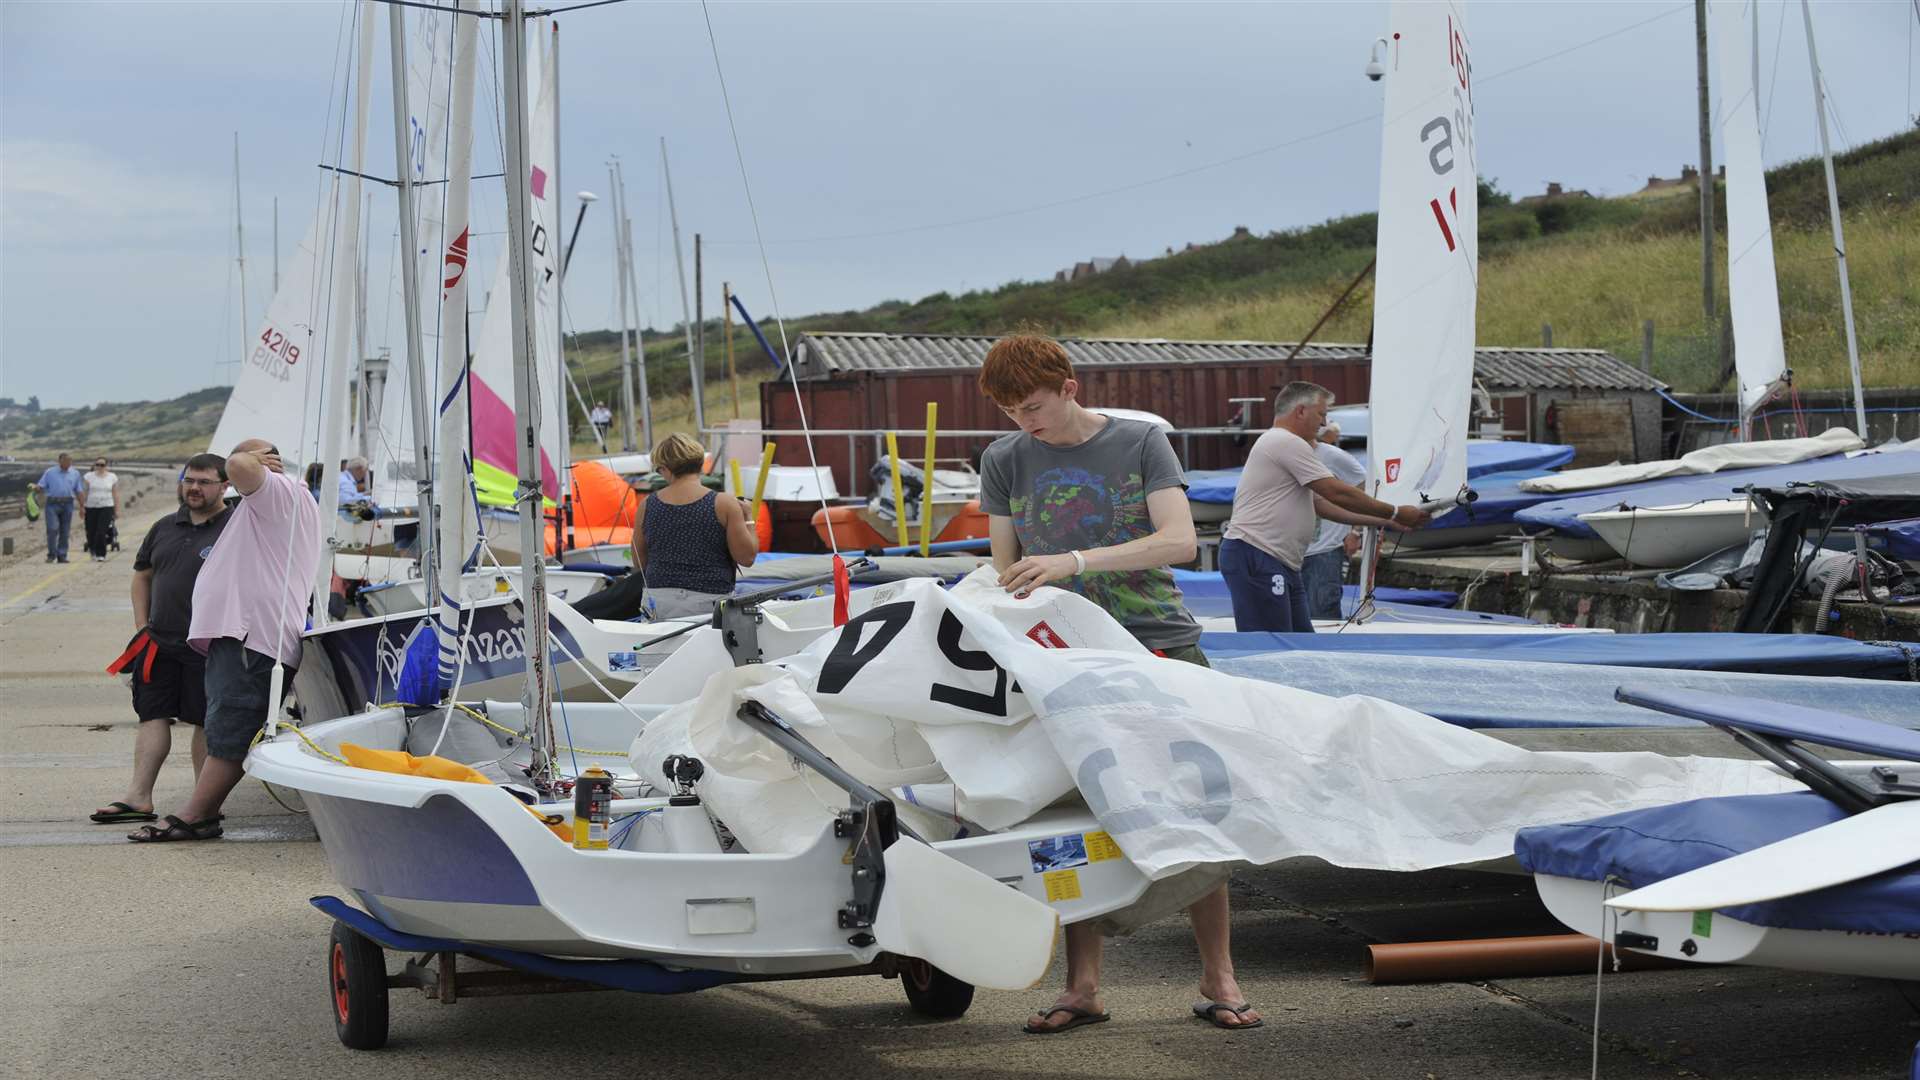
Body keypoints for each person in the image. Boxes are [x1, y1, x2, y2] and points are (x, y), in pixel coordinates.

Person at [976, 333, 1259, 1034]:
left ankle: (1220, 977)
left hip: (1159, 643)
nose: (1024, 422)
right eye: (1011, 411)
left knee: (1198, 808)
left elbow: (1180, 540)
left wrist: (1073, 561)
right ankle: (1083, 986)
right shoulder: (1004, 459)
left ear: (1069, 387)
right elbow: (1004, 569)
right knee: (1076, 813)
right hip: (1061, 659)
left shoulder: (1140, 443)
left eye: (1033, 406)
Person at [128, 438, 321, 842]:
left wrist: (248, 459)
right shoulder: (267, 504)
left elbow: (237, 466)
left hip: (253, 638)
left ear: (269, 462)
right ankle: (203, 813)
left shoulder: (280, 493)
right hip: (241, 636)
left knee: (232, 726)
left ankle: (196, 814)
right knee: (224, 724)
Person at [90, 453, 233, 826]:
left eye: (204, 482)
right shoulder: (164, 526)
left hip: (211, 645)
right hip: (158, 642)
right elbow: (143, 576)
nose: (194, 488)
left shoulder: (237, 527)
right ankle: (138, 796)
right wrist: (142, 626)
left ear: (225, 486)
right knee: (151, 715)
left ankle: (205, 804)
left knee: (205, 722)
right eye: (189, 480)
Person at [1221, 383, 1430, 632]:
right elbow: (1335, 491)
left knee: (1302, 644)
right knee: (1273, 647)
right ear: (1300, 411)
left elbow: (1321, 504)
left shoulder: (1288, 445)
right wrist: (1394, 511)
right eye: (1321, 414)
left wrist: (1383, 521)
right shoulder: (1284, 442)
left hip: (1277, 560)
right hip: (1257, 553)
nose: (1324, 423)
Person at [631, 432, 757, 620]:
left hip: (658, 598)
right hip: (709, 599)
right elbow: (746, 558)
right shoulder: (723, 504)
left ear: (665, 469)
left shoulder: (647, 505)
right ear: (699, 464)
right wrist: (748, 518)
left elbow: (639, 560)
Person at [1298, 424, 1366, 620]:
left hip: (1324, 550)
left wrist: (1356, 532)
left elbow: (1363, 488)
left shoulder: (1334, 457)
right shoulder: (1281, 453)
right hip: (1288, 552)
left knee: (1322, 615)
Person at [30, 452, 83, 563]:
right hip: (52, 504)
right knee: (52, 529)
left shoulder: (75, 473)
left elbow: (78, 490)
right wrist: (36, 488)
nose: (68, 463)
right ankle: (51, 554)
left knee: (65, 530)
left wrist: (82, 506)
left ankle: (62, 555)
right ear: (60, 461)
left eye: (70, 461)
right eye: (66, 461)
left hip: (68, 503)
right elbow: (41, 486)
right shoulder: (50, 472)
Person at [80, 456, 121, 562]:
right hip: (91, 507)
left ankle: (101, 553)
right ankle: (92, 549)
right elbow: (84, 492)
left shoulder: (112, 477)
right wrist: (82, 506)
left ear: (106, 466)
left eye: (102, 465)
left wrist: (117, 510)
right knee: (91, 531)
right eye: (97, 464)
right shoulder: (89, 476)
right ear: (94, 465)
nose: (99, 467)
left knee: (101, 531)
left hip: (106, 506)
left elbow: (115, 494)